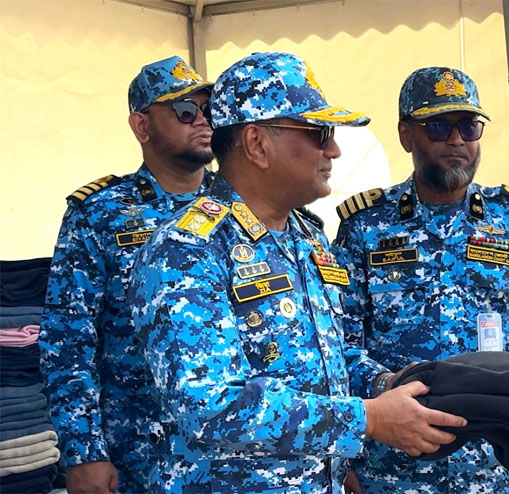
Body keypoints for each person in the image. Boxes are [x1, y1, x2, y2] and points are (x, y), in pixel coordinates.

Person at [127, 52, 467, 493]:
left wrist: (392, 382)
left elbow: (330, 359)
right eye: (317, 133)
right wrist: (369, 418)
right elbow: (208, 405)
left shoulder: (307, 237)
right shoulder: (186, 250)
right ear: (256, 144)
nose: (334, 150)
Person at [334, 66, 509, 493]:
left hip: (496, 468)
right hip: (395, 468)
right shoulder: (366, 228)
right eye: (438, 126)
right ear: (406, 136)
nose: (457, 140)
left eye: (469, 126)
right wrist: (385, 394)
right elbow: (340, 346)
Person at [38, 56, 215, 494]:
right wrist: (85, 452)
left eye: (208, 109)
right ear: (142, 126)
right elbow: (67, 339)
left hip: (239, 456)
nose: (203, 121)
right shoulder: (100, 213)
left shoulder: (244, 205)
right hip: (140, 456)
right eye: (185, 111)